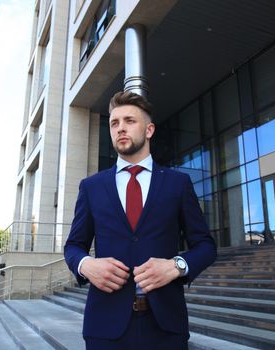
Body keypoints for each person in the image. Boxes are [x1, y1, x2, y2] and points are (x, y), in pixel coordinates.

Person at [64, 91, 217, 350]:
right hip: (104, 328)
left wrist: (176, 266)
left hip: (166, 328)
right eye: (114, 123)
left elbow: (206, 246)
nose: (120, 128)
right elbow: (73, 247)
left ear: (149, 130)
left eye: (129, 121)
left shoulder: (178, 184)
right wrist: (86, 265)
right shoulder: (91, 187)